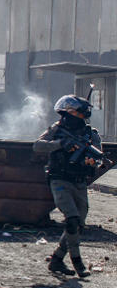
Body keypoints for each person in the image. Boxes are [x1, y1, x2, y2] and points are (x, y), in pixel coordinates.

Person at [33, 94, 100, 278]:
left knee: (78, 226)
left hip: (79, 182)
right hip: (59, 179)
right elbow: (38, 146)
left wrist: (91, 162)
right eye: (73, 113)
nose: (76, 117)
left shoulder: (90, 134)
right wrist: (61, 144)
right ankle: (78, 263)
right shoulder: (57, 129)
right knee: (71, 220)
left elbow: (97, 159)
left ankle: (56, 260)